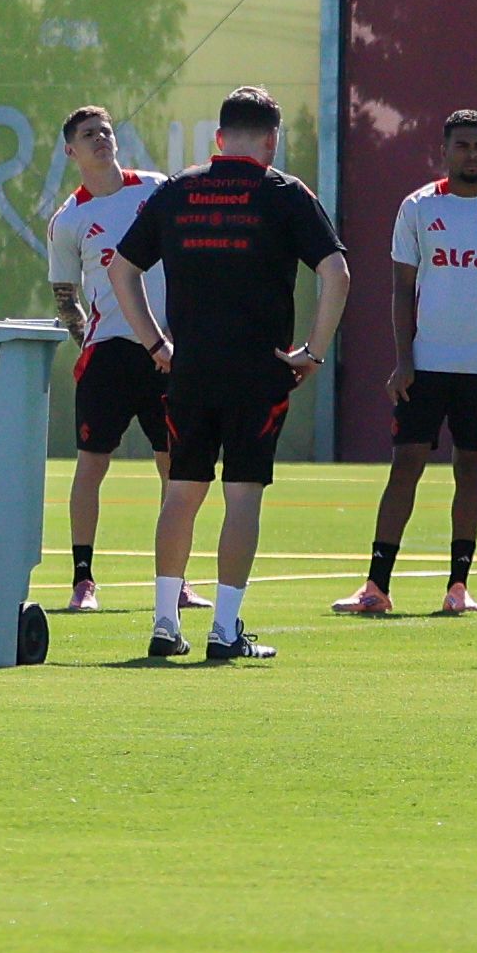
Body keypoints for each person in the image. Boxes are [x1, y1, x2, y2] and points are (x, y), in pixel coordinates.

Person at [103, 86, 350, 664]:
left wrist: (155, 343)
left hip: (189, 368)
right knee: (243, 496)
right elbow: (336, 272)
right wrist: (312, 351)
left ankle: (165, 622)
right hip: (257, 370)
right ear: (271, 140)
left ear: (218, 138)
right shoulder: (284, 192)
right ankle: (224, 627)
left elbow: (121, 269)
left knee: (182, 492)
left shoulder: (178, 191)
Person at [337, 108, 477, 619]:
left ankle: (458, 585)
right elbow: (402, 288)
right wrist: (404, 359)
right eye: (462, 145)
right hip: (424, 366)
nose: (471, 154)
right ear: (444, 151)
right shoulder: (419, 207)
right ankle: (376, 585)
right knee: (405, 466)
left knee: (471, 470)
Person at [43, 105, 167, 615]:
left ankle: (174, 581)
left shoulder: (157, 189)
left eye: (107, 131)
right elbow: (65, 293)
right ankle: (83, 580)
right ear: (71, 151)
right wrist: (87, 343)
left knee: (176, 468)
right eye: (89, 135)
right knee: (92, 465)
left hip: (165, 350)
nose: (101, 140)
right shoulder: (70, 219)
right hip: (108, 354)